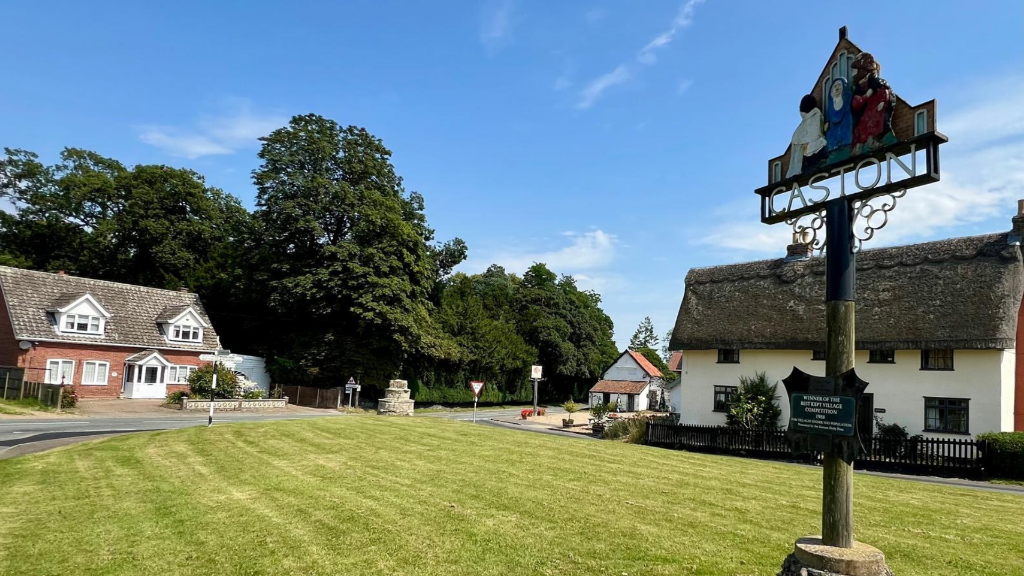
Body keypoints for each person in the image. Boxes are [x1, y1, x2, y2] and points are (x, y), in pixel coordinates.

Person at [786, 94, 828, 178]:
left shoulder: (816, 116)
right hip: (806, 155)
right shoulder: (807, 120)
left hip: (813, 152)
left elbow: (814, 136)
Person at [824, 77, 853, 164]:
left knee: (845, 130)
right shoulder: (831, 103)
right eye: (834, 86)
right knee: (830, 135)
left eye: (839, 85)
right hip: (833, 126)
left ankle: (845, 147)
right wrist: (827, 122)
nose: (837, 88)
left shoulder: (848, 98)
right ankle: (832, 150)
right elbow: (829, 114)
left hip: (845, 122)